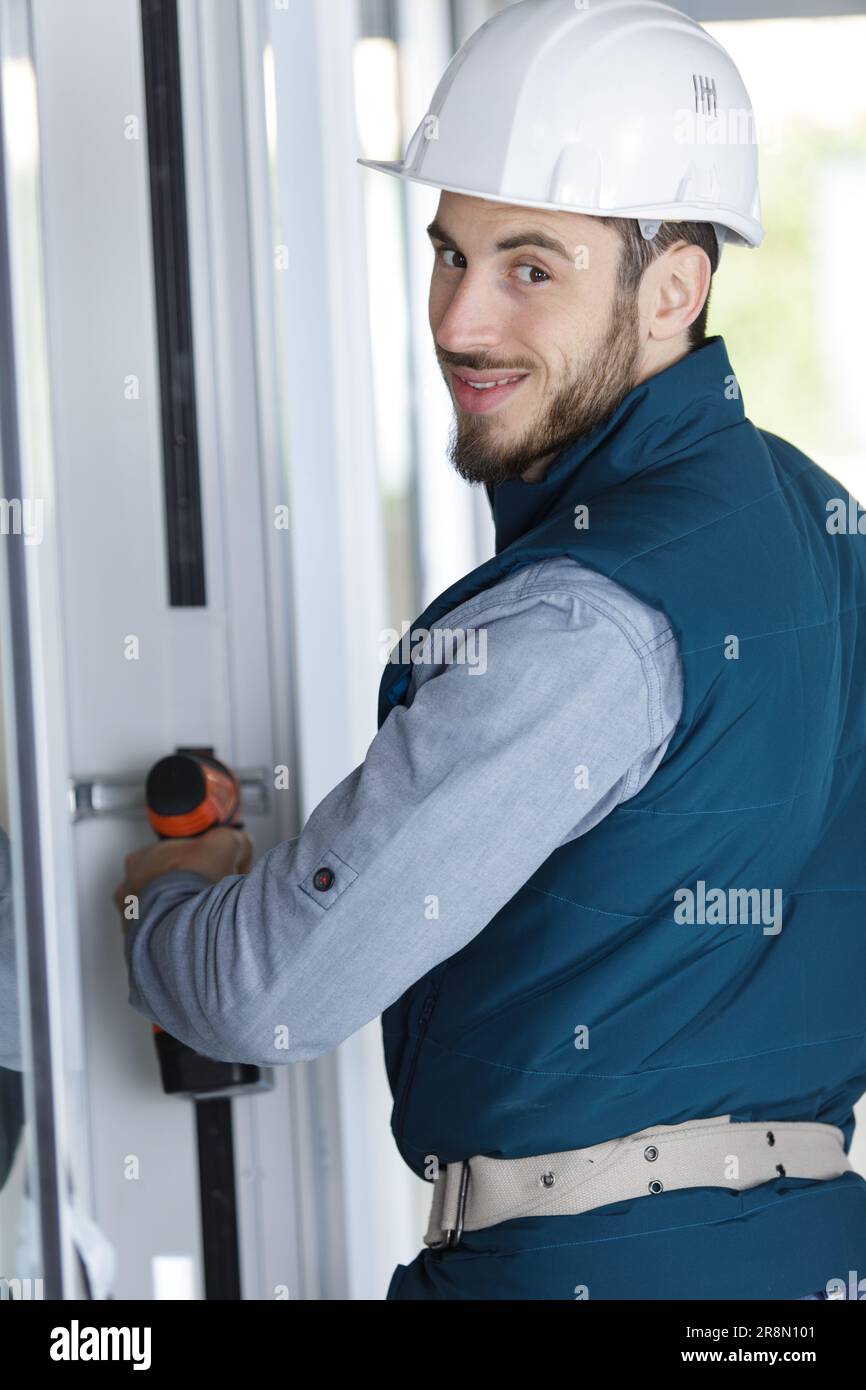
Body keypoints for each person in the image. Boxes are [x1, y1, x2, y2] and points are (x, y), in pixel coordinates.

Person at [114, 0, 866, 1299]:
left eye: (530, 267)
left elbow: (260, 996)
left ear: (672, 286)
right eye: (446, 253)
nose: (459, 321)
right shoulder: (820, 521)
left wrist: (161, 896)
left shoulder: (578, 613)